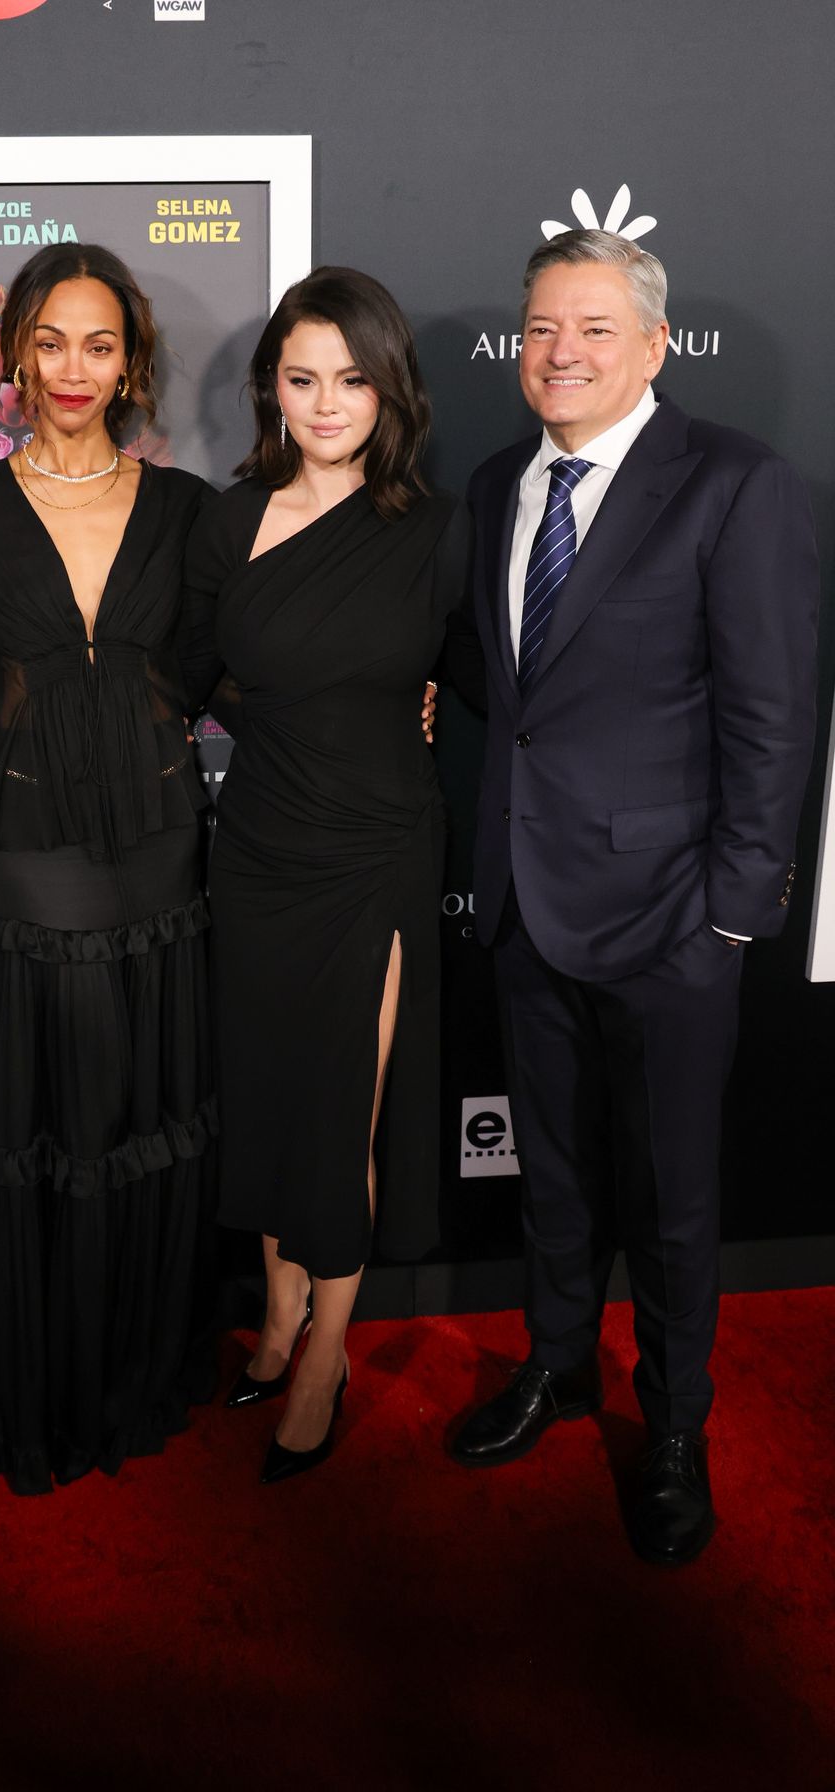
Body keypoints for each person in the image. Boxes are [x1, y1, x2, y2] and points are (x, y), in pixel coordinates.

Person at [448, 230, 819, 1564]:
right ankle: (559, 1369)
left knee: (671, 1200)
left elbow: (776, 721)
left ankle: (674, 1429)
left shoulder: (736, 484)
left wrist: (730, 912)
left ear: (656, 346)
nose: (561, 354)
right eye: (542, 328)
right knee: (553, 1177)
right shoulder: (498, 482)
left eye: (594, 330)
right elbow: (517, 695)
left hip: (672, 920)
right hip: (525, 901)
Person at [0, 244, 218, 1496]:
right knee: (49, 1118)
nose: (73, 370)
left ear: (131, 359)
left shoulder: (190, 510)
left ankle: (133, 1374)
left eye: (98, 344)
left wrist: (401, 699)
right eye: (49, 341)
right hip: (34, 862)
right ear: (14, 354)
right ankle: (38, 1388)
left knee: (142, 1119)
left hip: (163, 859)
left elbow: (240, 663)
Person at [181, 267, 476, 1484]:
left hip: (375, 855)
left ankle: (323, 1354)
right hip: (255, 846)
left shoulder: (436, 530)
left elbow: (484, 682)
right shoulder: (226, 517)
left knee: (341, 1107)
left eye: (350, 379)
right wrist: (295, 723)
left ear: (386, 386)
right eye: (301, 379)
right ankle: (279, 1306)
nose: (324, 402)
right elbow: (197, 671)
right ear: (271, 389)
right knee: (263, 1090)